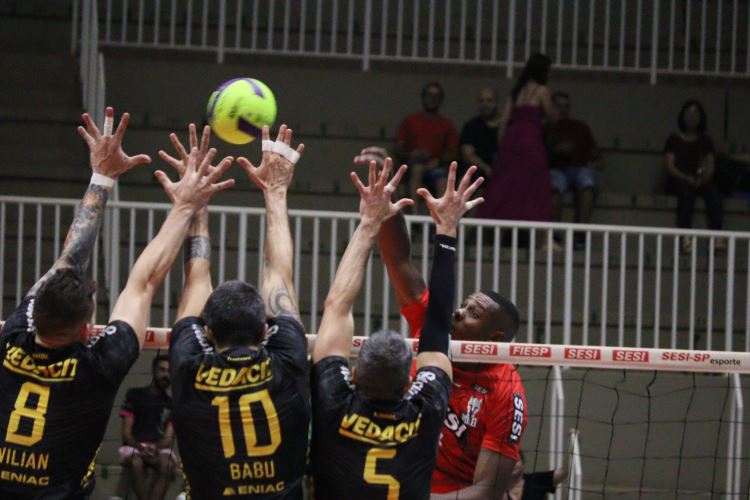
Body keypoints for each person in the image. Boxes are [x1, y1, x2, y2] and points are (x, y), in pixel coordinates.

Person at [0, 108, 234, 498]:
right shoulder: (99, 364)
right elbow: (143, 284)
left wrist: (102, 177)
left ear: (34, 312)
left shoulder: (13, 336)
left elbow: (69, 261)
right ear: (88, 330)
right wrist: (185, 205)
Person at [352, 150, 528, 497]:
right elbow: (399, 261)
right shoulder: (438, 328)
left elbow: (487, 490)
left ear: (494, 339)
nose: (459, 312)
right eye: (463, 304)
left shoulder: (506, 389)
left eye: (473, 313)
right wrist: (385, 205)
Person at [312, 158, 484, 499]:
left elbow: (336, 306)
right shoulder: (427, 410)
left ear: (356, 374)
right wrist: (447, 231)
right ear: (410, 381)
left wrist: (368, 224)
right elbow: (438, 326)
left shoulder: (333, 402)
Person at [167, 124, 310, 498]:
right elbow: (279, 272)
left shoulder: (188, 365)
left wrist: (195, 201)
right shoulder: (289, 358)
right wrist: (275, 191)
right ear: (265, 330)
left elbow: (196, 277)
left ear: (208, 333)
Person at [477, 53, 558, 223]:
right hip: (530, 138)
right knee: (536, 182)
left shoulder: (516, 91)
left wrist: (502, 146)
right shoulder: (542, 90)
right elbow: (553, 116)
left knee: (507, 182)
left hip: (512, 139)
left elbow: (504, 120)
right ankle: (542, 235)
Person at [664, 100, 724, 252]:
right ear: (682, 116)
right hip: (679, 180)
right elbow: (670, 166)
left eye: (696, 112)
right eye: (689, 112)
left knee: (714, 194)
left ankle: (717, 237)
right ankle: (685, 237)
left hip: (701, 180)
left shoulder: (706, 141)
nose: (692, 116)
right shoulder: (673, 139)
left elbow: (710, 166)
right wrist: (686, 178)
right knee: (685, 193)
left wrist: (703, 179)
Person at [544, 92, 601, 249]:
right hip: (556, 169)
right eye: (558, 106)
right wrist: (556, 150)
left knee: (588, 182)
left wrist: (595, 165)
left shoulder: (581, 127)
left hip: (579, 168)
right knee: (554, 185)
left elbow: (596, 154)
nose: (563, 110)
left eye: (566, 106)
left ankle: (580, 235)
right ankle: (554, 233)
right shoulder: (545, 128)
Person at [118, 354, 177, 500]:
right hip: (134, 447)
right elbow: (126, 433)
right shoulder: (134, 395)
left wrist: (155, 448)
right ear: (154, 371)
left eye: (169, 371)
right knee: (136, 462)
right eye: (162, 370)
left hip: (158, 448)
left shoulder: (171, 404)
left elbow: (168, 438)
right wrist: (142, 448)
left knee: (167, 465)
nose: (165, 375)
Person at [395, 82, 459, 212]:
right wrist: (410, 155)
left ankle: (441, 221)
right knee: (417, 168)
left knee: (442, 179)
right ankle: (415, 218)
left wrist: (438, 161)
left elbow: (453, 152)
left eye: (436, 96)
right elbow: (398, 147)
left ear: (441, 100)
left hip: (436, 166)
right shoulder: (410, 120)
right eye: (429, 95)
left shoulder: (446, 124)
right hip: (412, 165)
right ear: (423, 97)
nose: (432, 99)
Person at [460, 87, 500, 180]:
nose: (485, 104)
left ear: (496, 102)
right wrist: (486, 168)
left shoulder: (507, 126)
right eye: (481, 101)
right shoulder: (471, 126)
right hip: (479, 170)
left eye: (489, 100)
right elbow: (468, 154)